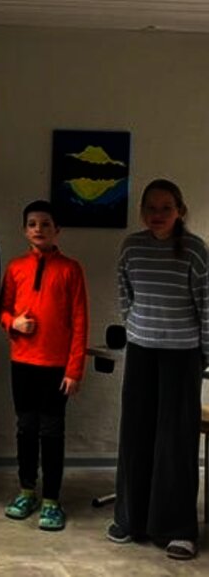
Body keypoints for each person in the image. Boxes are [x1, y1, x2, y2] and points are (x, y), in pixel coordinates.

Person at [108, 179, 208, 561]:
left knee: (176, 442)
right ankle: (130, 520)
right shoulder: (131, 247)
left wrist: (205, 353)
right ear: (142, 211)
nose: (157, 214)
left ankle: (178, 529)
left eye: (166, 208)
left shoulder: (195, 250)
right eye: (151, 207)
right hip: (141, 352)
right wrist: (135, 327)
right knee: (136, 436)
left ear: (179, 211)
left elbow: (207, 305)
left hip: (183, 356)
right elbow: (125, 293)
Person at [0, 200, 88, 531]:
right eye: (32, 224)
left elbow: (80, 322)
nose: (39, 229)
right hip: (22, 363)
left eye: (46, 224)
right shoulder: (15, 268)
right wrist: (13, 323)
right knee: (26, 428)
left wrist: (74, 369)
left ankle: (51, 499)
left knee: (51, 431)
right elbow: (2, 309)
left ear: (57, 230)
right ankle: (26, 491)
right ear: (25, 230)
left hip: (56, 367)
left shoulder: (71, 269)